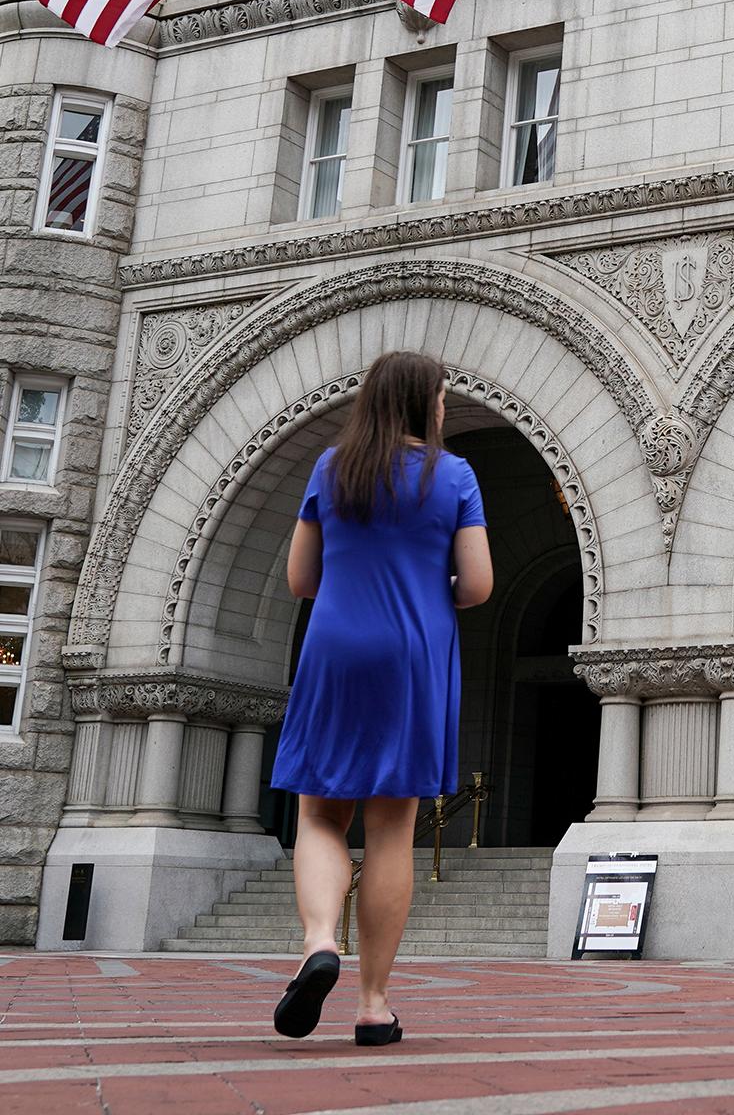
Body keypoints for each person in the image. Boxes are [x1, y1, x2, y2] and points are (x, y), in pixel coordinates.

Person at [268, 351, 492, 1045]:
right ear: (426, 403)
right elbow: (479, 585)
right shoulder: (453, 476)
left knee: (319, 814)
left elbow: (300, 579)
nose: (447, 408)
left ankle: (316, 943)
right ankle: (373, 1005)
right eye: (444, 399)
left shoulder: (332, 468)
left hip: (336, 650)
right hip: (414, 654)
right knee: (392, 828)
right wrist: (432, 591)